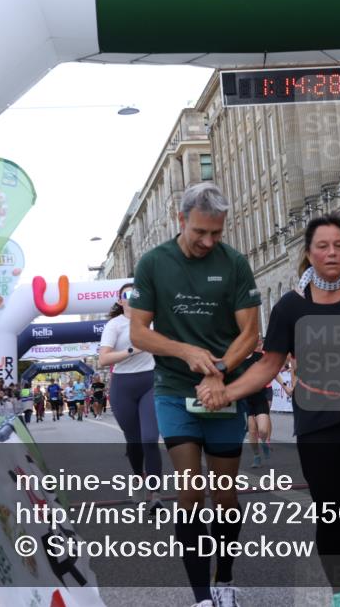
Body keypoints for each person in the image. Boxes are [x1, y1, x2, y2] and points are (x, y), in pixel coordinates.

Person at [198, 214, 340, 607]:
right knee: (331, 514)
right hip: (319, 422)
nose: (332, 253)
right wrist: (229, 391)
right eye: (322, 246)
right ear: (309, 254)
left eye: (338, 245)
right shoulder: (291, 307)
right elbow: (269, 365)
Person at [129, 182, 261, 607]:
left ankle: (225, 580)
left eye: (216, 234)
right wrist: (184, 351)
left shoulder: (235, 264)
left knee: (225, 495)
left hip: (222, 391)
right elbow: (138, 333)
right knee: (189, 491)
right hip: (173, 389)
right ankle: (202, 596)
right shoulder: (153, 263)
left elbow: (250, 333)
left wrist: (219, 371)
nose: (208, 241)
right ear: (180, 220)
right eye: (200, 232)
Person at [99, 282, 161, 509]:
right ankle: (137, 476)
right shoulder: (114, 325)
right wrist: (134, 349)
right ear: (120, 301)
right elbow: (103, 359)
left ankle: (155, 496)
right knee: (134, 441)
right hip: (123, 386)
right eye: (128, 294)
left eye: (138, 293)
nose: (134, 297)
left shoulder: (154, 321)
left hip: (150, 381)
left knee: (150, 439)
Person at [243, 338, 273, 469]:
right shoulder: (238, 361)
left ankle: (265, 442)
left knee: (262, 430)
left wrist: (284, 386)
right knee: (252, 430)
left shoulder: (259, 356)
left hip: (260, 397)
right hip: (246, 399)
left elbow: (272, 370)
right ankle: (256, 456)